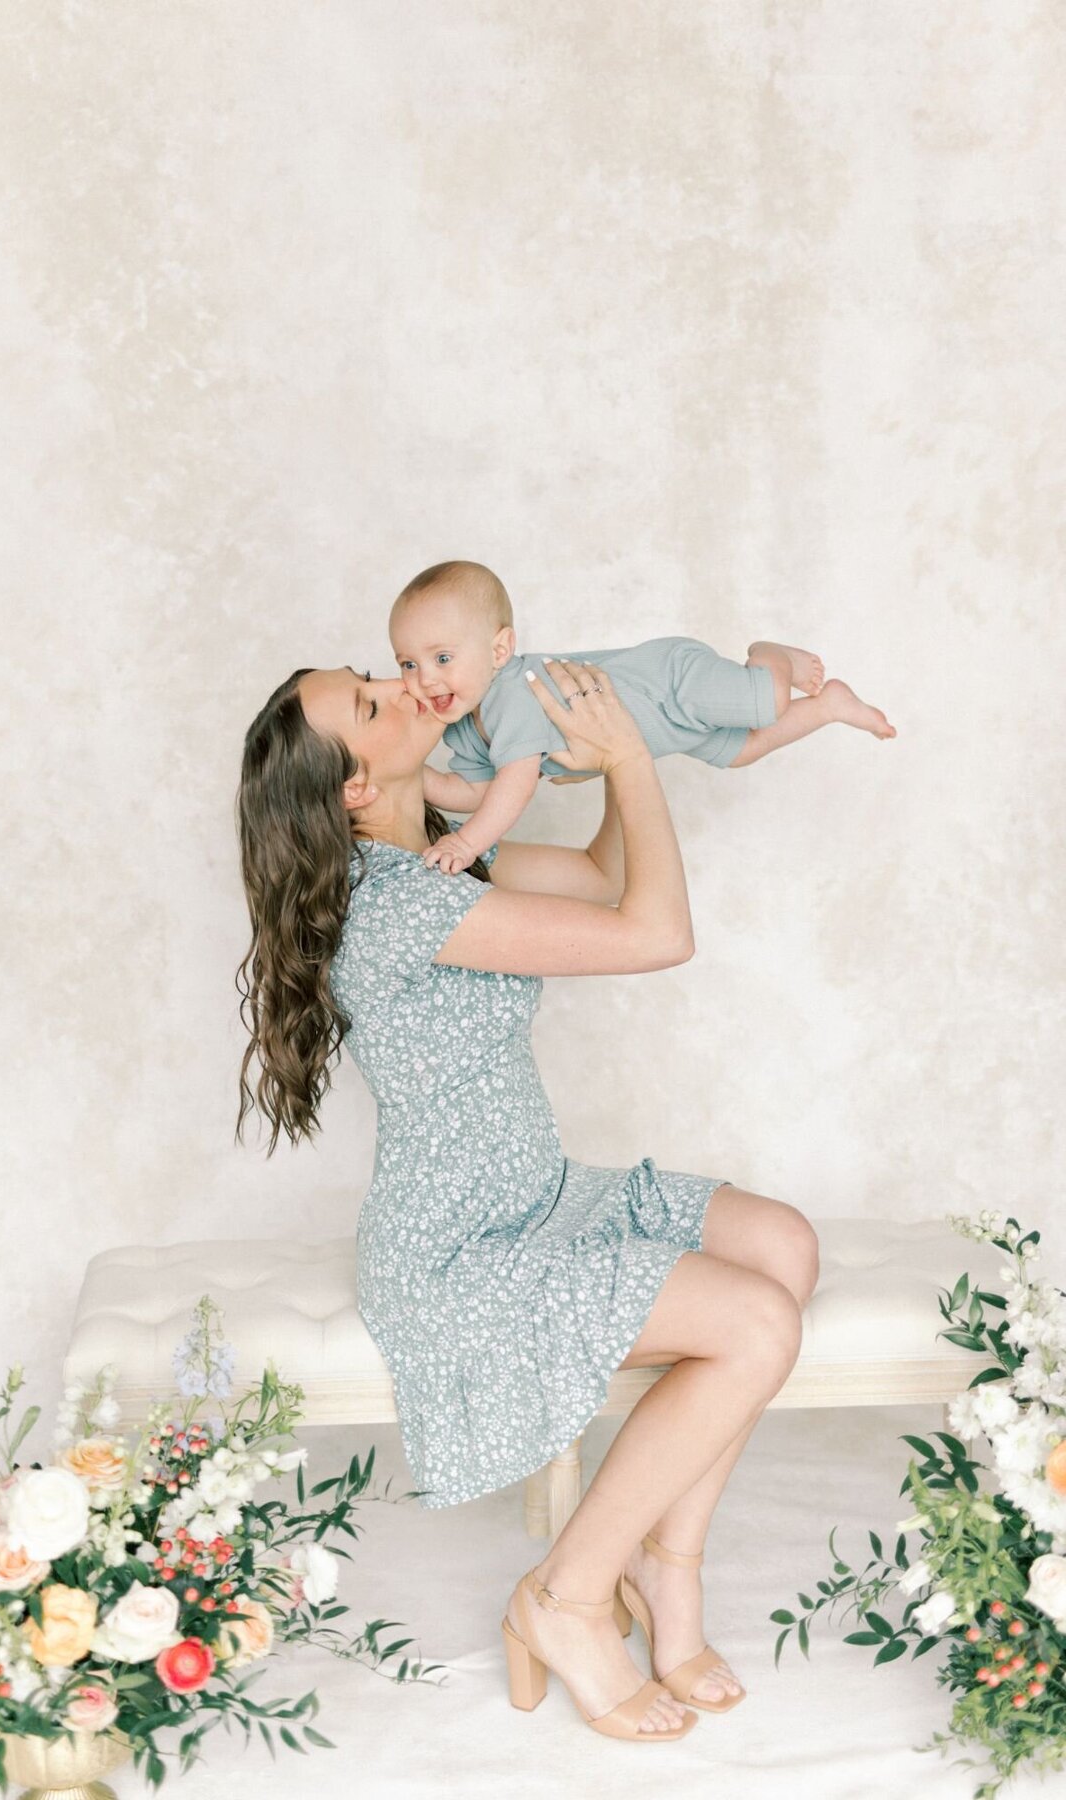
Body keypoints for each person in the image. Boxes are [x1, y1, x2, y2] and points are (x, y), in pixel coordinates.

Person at [235, 653, 819, 1742]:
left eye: (374, 675)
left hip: (536, 1193)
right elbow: (655, 934)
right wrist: (634, 757)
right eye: (372, 704)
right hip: (459, 1247)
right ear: (355, 787)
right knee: (755, 1324)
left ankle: (661, 1560)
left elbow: (604, 878)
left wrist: (599, 755)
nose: (401, 684)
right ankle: (565, 1597)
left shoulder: (453, 855)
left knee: (781, 1245)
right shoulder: (394, 904)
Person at [386, 558, 895, 873]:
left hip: (671, 682)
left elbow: (515, 786)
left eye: (443, 658)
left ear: (500, 650)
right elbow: (477, 792)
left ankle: (769, 654)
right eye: (408, 664)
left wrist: (467, 842)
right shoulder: (468, 726)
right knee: (744, 750)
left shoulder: (511, 695)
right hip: (663, 731)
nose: (425, 679)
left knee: (770, 701)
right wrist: (417, 774)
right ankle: (829, 705)